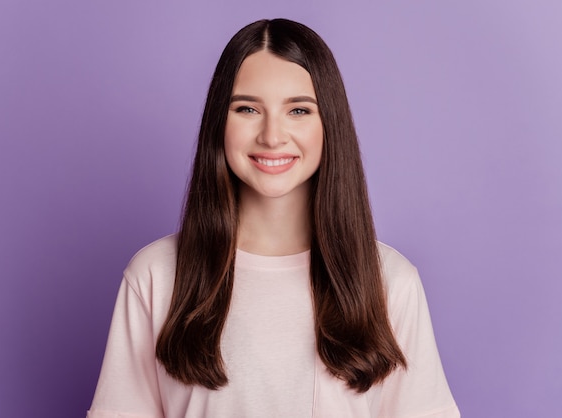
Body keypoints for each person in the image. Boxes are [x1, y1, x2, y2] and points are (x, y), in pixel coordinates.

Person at [87, 18, 460, 418]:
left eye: (298, 110)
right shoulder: (156, 275)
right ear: (219, 122)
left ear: (328, 124)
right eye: (247, 108)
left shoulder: (390, 281)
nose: (272, 135)